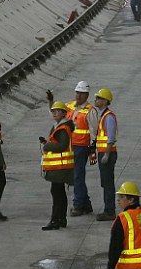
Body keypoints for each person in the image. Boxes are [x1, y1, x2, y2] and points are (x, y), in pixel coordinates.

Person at [40, 101, 74, 230]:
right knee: (59, 193)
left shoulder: (63, 128)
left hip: (60, 167)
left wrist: (47, 146)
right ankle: (61, 219)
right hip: (59, 167)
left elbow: (62, 145)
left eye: (57, 111)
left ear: (64, 113)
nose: (54, 113)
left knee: (56, 193)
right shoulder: (59, 126)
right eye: (53, 111)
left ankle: (55, 221)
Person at [66, 81, 99, 216]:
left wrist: (92, 149)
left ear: (87, 95)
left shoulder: (91, 111)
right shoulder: (70, 106)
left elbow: (94, 130)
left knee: (78, 176)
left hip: (82, 147)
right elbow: (57, 114)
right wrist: (51, 101)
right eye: (77, 93)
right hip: (71, 146)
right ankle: (86, 204)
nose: (79, 96)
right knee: (77, 175)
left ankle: (78, 205)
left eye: (82, 94)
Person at [94, 88, 118, 221]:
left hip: (107, 154)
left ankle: (109, 211)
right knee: (105, 182)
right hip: (103, 153)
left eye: (98, 98)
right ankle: (108, 209)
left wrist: (107, 155)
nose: (96, 100)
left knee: (108, 183)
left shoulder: (108, 117)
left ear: (104, 101)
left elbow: (111, 138)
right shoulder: (103, 115)